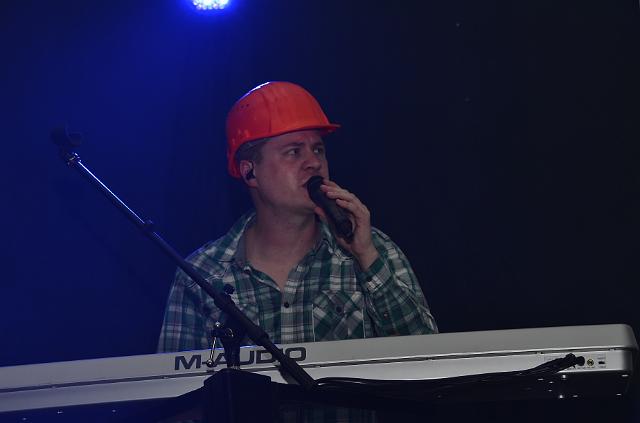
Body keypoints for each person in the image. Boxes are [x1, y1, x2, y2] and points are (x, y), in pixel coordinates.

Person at [158, 81, 437, 353]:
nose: (314, 162)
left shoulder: (373, 248)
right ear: (249, 172)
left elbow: (427, 357)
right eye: (293, 152)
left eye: (318, 150)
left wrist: (366, 257)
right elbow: (174, 380)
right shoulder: (202, 273)